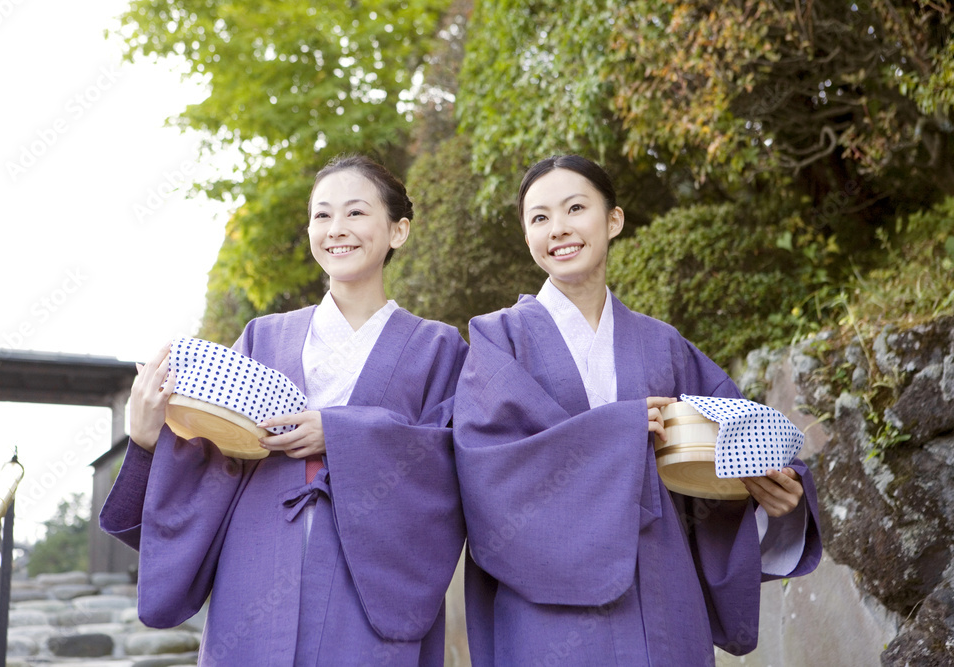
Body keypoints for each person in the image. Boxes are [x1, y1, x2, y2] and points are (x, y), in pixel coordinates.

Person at [453, 155, 821, 665]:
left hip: (663, 595)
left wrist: (767, 490)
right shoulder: (498, 339)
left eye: (575, 208)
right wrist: (620, 431)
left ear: (613, 220)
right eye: (538, 218)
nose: (558, 228)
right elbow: (487, 470)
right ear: (526, 235)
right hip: (547, 605)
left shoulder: (662, 344)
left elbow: (738, 433)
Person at [100, 155, 468, 666]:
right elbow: (213, 457)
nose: (336, 229)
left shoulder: (439, 347)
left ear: (398, 230)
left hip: (370, 587)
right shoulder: (264, 337)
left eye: (356, 213)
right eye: (322, 215)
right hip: (256, 570)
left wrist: (339, 435)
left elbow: (447, 463)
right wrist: (147, 440)